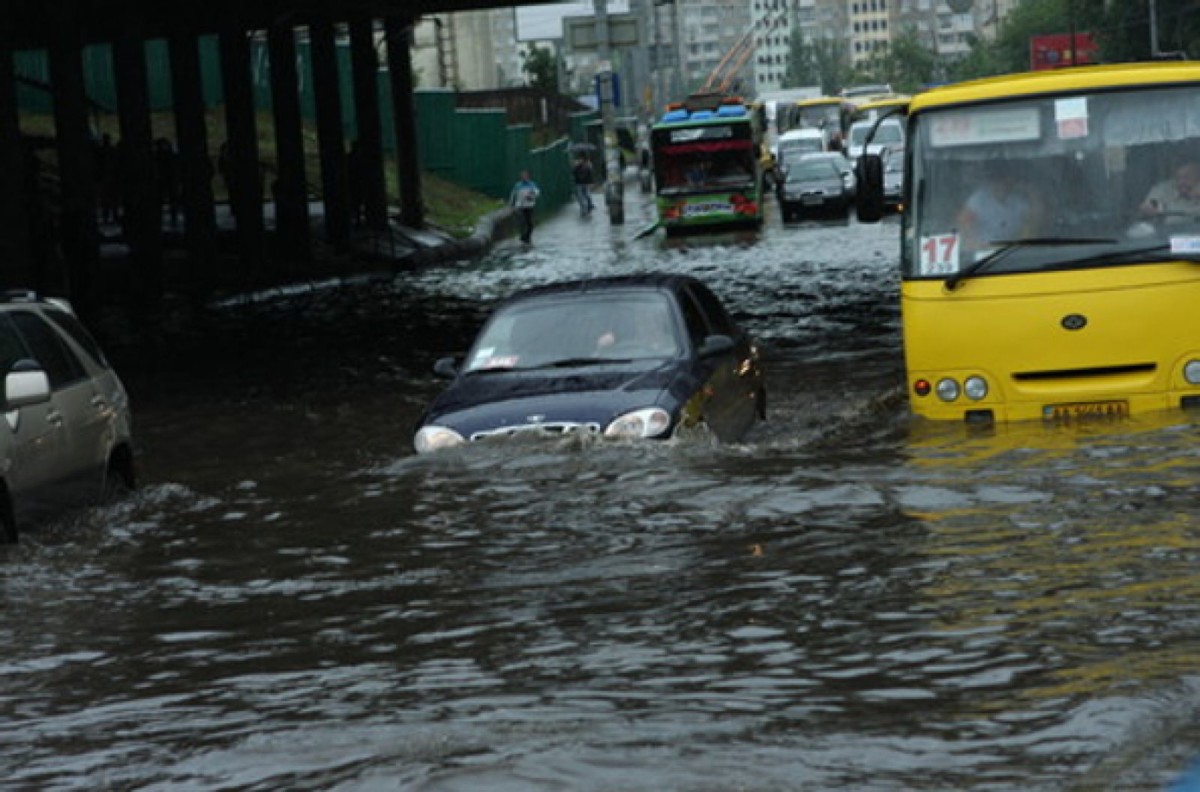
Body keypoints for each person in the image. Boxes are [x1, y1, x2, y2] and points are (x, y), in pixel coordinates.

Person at [957, 162, 1040, 257]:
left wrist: (1032, 192)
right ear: (994, 181)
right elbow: (963, 224)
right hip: (984, 254)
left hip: (1011, 253)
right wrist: (976, 244)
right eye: (1001, 180)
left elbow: (1034, 220)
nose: (1005, 183)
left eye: (1009, 180)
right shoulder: (979, 199)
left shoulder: (1017, 201)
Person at [1138, 160, 1200, 225]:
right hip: (1167, 232)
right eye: (1178, 177)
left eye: (1186, 177)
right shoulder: (1164, 189)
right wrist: (1150, 208)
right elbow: (1152, 204)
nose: (1181, 182)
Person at [509, 170, 540, 244]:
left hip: (529, 206)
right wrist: (511, 204)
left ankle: (527, 236)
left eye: (525, 176)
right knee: (521, 221)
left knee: (529, 222)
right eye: (522, 176)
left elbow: (537, 193)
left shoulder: (532, 184)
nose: (523, 177)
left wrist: (531, 196)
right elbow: (513, 194)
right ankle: (523, 235)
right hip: (519, 206)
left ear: (528, 176)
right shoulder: (518, 185)